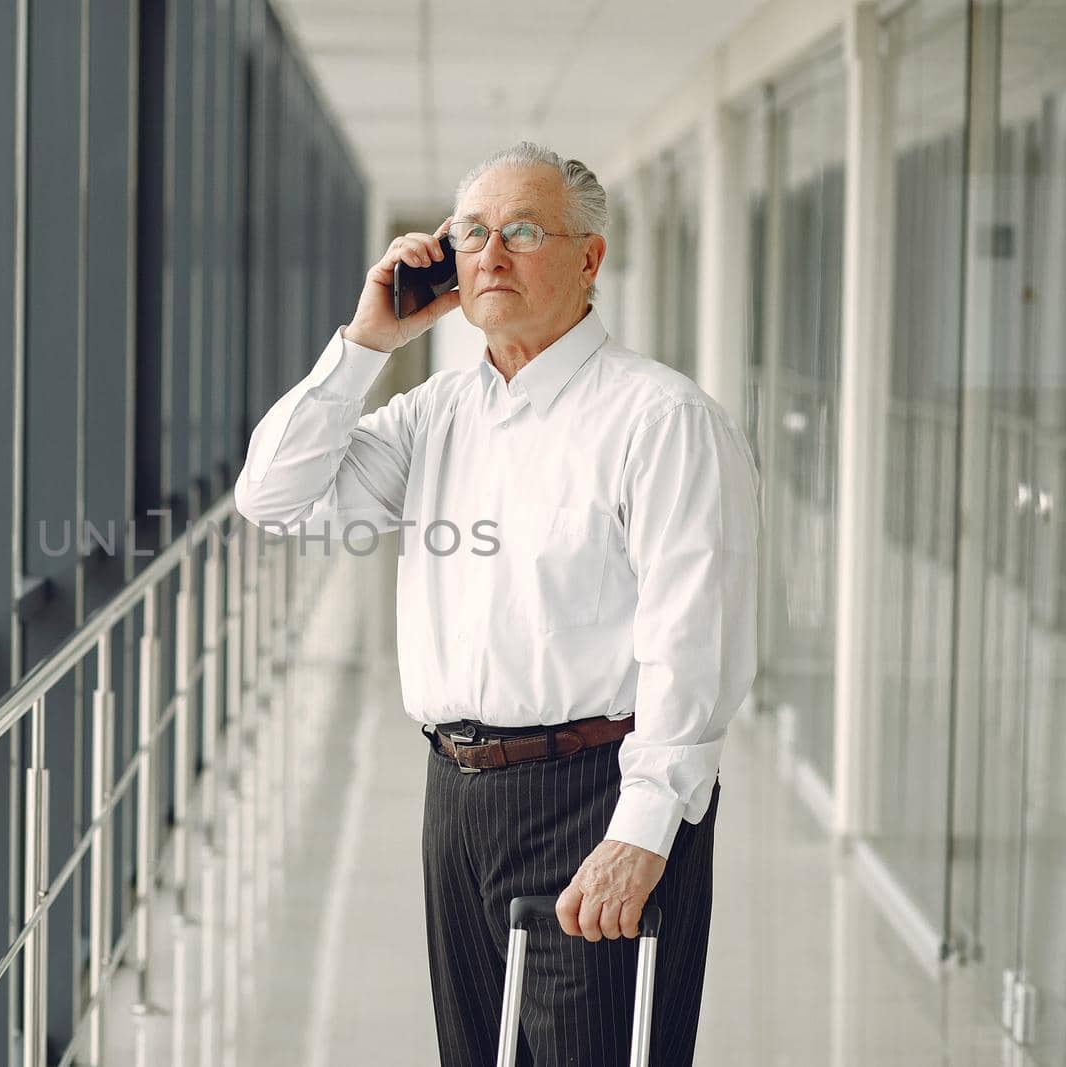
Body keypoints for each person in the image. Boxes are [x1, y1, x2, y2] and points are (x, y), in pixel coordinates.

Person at [232, 141, 760, 1065]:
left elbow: (696, 639)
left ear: (589, 258)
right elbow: (274, 496)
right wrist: (367, 343)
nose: (491, 255)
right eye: (471, 233)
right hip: (457, 798)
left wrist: (644, 831)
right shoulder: (437, 413)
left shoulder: (660, 418)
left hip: (597, 792)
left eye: (522, 230)